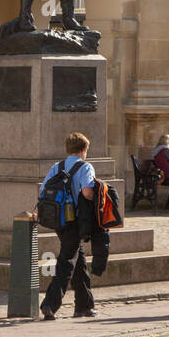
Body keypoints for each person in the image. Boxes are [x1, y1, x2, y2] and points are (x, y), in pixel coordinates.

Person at [37, 132, 99, 320]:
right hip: (75, 220)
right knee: (67, 262)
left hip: (58, 220)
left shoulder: (57, 166)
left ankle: (84, 306)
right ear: (83, 150)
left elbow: (43, 189)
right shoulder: (85, 167)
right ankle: (50, 304)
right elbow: (88, 192)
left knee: (78, 261)